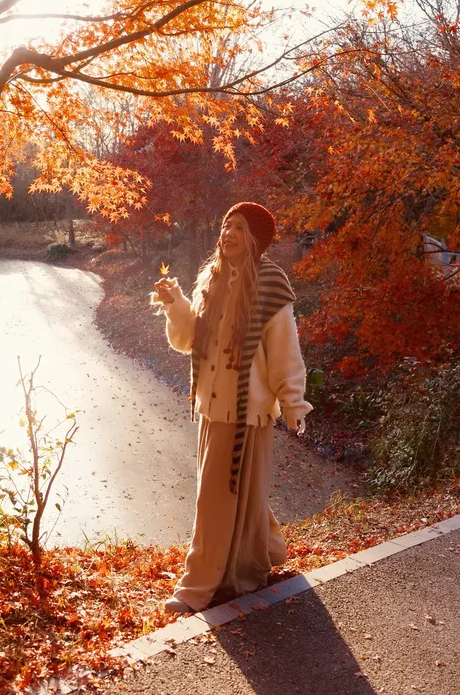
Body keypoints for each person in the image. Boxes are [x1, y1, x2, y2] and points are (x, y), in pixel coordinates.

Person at [151, 201, 312, 614]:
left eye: (238, 228)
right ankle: (262, 553)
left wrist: (293, 402)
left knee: (215, 499)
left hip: (246, 413)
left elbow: (284, 352)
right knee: (241, 492)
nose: (228, 234)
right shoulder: (213, 278)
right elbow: (189, 341)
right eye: (225, 226)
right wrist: (176, 302)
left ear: (254, 238)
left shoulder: (271, 282)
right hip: (211, 407)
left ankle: (197, 588)